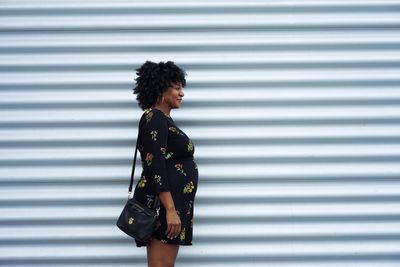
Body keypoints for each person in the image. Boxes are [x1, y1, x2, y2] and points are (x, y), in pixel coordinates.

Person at [132, 60, 199, 267]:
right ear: (161, 89)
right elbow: (156, 166)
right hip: (164, 207)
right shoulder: (155, 118)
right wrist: (170, 209)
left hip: (172, 205)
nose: (182, 93)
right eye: (177, 87)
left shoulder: (163, 120)